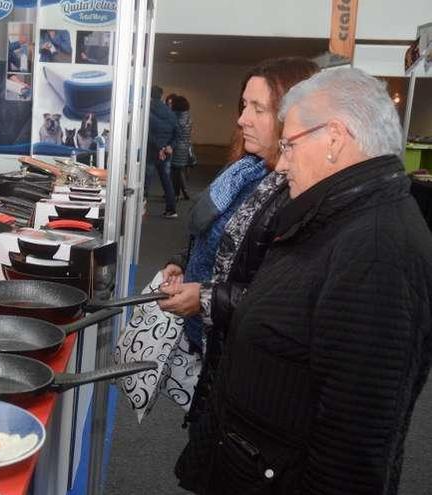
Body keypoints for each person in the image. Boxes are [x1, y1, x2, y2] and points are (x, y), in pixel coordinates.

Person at [176, 67, 432, 494]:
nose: (283, 161)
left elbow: (352, 451)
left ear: (334, 138)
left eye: (290, 145)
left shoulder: (377, 251)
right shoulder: (334, 215)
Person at [154, 59, 318, 489]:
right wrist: (181, 260)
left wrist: (205, 299)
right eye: (243, 105)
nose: (242, 118)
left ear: (292, 114)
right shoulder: (246, 169)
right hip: (214, 344)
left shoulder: (295, 190)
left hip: (242, 357)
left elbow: (280, 297)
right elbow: (211, 229)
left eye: (258, 108)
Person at [145, 85, 178, 218]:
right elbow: (176, 131)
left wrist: (159, 148)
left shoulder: (147, 111)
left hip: (152, 151)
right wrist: (169, 146)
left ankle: (140, 210)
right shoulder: (169, 111)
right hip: (166, 152)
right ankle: (171, 209)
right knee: (166, 180)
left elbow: (148, 134)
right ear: (161, 95)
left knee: (146, 181)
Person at [170, 95, 193, 200]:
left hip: (176, 147)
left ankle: (176, 194)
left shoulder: (175, 117)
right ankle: (182, 192)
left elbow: (174, 133)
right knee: (180, 171)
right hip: (185, 147)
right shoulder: (188, 117)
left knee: (175, 172)